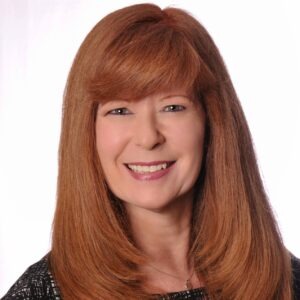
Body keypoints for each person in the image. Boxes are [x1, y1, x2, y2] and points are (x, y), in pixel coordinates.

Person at [2, 3, 300, 300]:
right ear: (87, 131)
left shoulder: (285, 279)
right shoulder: (40, 292)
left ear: (212, 121)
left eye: (172, 107)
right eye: (119, 110)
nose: (147, 138)